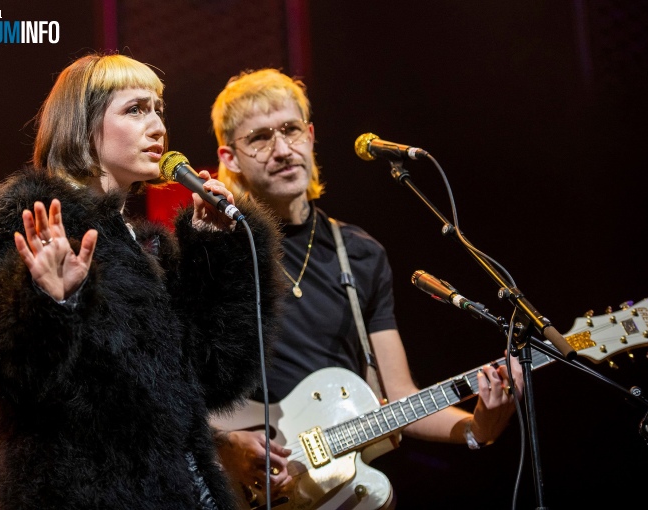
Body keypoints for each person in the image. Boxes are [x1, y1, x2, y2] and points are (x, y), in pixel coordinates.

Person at [0, 53, 285, 509]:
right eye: (135, 110)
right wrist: (48, 301)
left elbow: (214, 379)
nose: (158, 126)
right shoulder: (30, 215)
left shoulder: (146, 247)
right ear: (84, 128)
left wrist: (214, 250)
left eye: (158, 109)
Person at [209, 68, 524, 508]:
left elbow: (399, 396)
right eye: (259, 138)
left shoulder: (359, 253)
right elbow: (171, 384)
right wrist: (222, 445)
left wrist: (477, 428)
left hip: (338, 490)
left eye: (291, 129)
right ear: (230, 157)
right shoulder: (214, 249)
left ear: (311, 134)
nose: (282, 150)